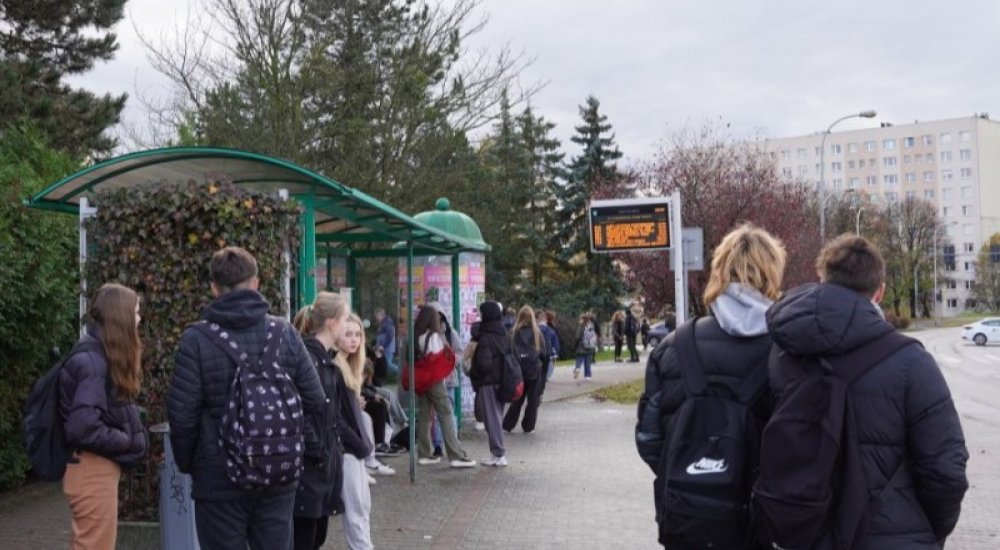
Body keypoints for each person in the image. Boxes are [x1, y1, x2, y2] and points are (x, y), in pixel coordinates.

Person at [763, 234, 969, 548]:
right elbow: (945, 469)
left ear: (823, 280)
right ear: (880, 292)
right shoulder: (911, 361)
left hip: (802, 531)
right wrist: (928, 530)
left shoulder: (783, 351)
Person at [635, 223, 787, 548]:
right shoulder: (787, 353)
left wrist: (690, 474)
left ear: (719, 271)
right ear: (772, 273)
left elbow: (649, 439)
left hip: (687, 517)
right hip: (758, 522)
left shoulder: (674, 346)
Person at [168, 246, 326, 550]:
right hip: (278, 472)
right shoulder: (285, 333)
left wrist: (192, 464)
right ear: (256, 283)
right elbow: (315, 399)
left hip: (218, 478)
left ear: (214, 287)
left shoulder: (196, 339)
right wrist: (290, 441)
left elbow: (182, 415)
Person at [60, 283, 147, 550]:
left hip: (89, 468)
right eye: (134, 312)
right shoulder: (93, 363)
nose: (139, 318)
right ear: (119, 317)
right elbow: (82, 427)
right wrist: (123, 440)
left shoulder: (95, 356)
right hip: (93, 470)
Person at [291, 292, 349, 550]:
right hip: (310, 470)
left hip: (320, 469)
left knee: (316, 538)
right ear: (332, 323)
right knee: (306, 538)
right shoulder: (309, 360)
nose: (349, 325)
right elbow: (301, 414)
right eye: (346, 319)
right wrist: (321, 452)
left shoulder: (326, 362)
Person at [411, 304, 476, 468]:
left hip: (421, 380)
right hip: (435, 379)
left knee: (425, 415)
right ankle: (455, 455)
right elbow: (439, 359)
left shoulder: (415, 335)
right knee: (446, 413)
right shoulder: (433, 337)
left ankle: (424, 454)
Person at [332, 312, 376, 549]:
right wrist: (359, 444)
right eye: (348, 334)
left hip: (354, 448)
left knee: (362, 506)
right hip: (346, 448)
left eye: (358, 334)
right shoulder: (336, 368)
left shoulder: (351, 367)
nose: (354, 340)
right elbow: (336, 417)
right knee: (356, 508)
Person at [469, 300, 509, 466]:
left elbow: (483, 364)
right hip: (503, 381)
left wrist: (474, 372)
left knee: (491, 419)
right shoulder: (504, 334)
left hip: (488, 383)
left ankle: (499, 453)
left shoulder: (486, 338)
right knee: (496, 417)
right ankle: (496, 453)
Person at [503, 306, 551, 433]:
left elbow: (508, 352)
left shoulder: (513, 333)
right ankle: (528, 426)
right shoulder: (537, 333)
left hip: (518, 371)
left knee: (517, 400)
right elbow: (544, 354)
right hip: (534, 371)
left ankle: (508, 425)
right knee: (533, 401)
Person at [573, 313, 599, 380]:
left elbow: (577, 337)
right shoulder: (591, 326)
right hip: (590, 346)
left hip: (581, 346)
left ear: (581, 319)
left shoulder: (580, 326)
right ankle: (588, 375)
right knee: (588, 362)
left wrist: (575, 345)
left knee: (579, 359)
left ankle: (577, 368)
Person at [537, 309, 560, 382]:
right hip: (549, 352)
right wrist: (555, 352)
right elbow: (556, 343)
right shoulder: (551, 331)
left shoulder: (535, 330)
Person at [374, 307, 397, 375]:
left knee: (387, 364)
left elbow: (390, 335)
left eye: (377, 316)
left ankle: (402, 372)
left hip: (387, 348)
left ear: (381, 315)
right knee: (385, 364)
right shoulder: (383, 323)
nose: (376, 318)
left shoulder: (387, 323)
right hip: (384, 347)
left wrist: (383, 346)